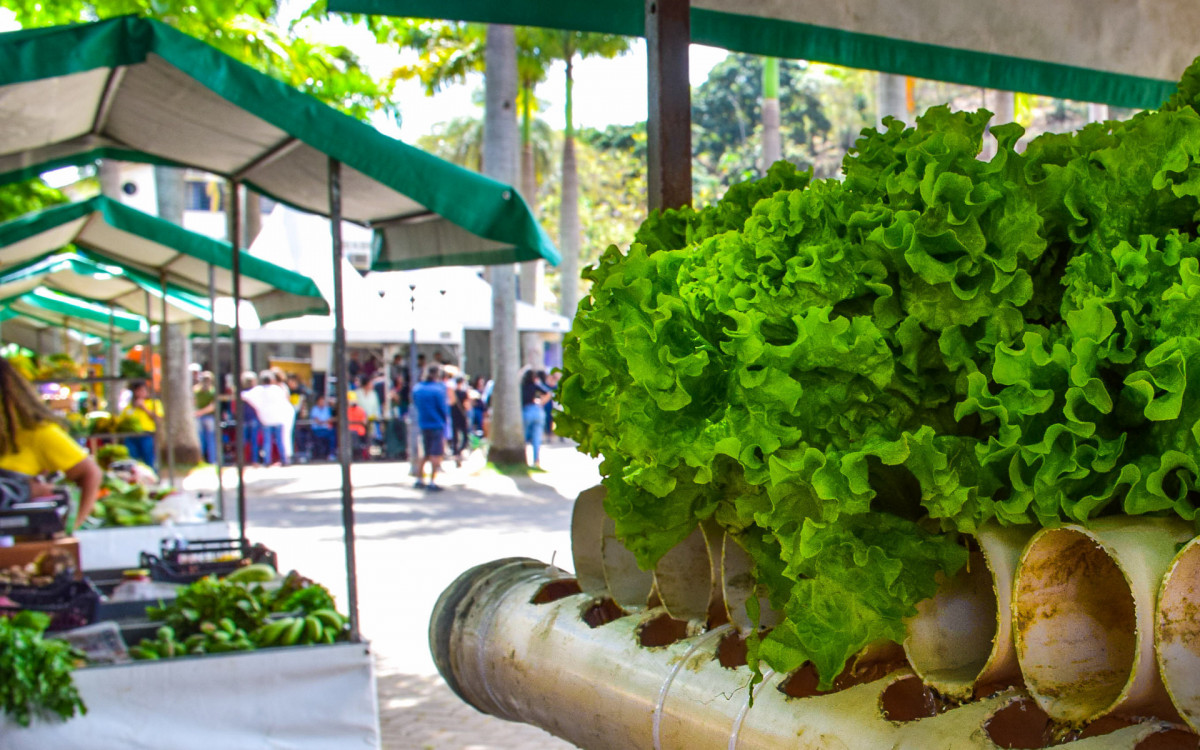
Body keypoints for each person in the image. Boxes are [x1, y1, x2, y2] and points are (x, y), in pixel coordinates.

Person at [0, 358, 101, 524]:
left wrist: (69, 527)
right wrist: (28, 490)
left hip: (16, 544)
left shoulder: (36, 433)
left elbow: (89, 473)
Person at [242, 371, 293, 466]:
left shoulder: (258, 390)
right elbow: (285, 400)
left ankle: (267, 461)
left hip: (266, 420)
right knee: (280, 440)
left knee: (267, 441)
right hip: (279, 418)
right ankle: (284, 459)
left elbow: (245, 395)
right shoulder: (278, 389)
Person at [411, 364, 449, 490]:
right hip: (436, 424)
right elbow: (443, 409)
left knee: (425, 453)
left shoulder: (417, 388)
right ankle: (432, 481)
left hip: (423, 423)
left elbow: (415, 403)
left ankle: (419, 479)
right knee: (435, 454)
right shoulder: (438, 389)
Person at [120, 381, 162, 470]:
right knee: (132, 462)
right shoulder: (129, 407)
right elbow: (122, 420)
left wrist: (144, 408)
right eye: (137, 391)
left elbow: (158, 418)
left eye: (142, 390)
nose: (140, 393)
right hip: (131, 437)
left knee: (149, 461)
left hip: (147, 435)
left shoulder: (153, 403)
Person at [520, 369, 553, 468]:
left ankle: (524, 460)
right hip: (538, 411)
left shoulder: (521, 387)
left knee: (524, 438)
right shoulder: (535, 385)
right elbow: (548, 393)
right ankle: (536, 461)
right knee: (536, 439)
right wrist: (541, 402)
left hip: (526, 411)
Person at [194, 371, 217, 464]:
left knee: (204, 439)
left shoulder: (196, 390)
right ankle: (210, 460)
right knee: (207, 439)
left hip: (201, 416)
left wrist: (199, 412)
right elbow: (212, 406)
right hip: (206, 417)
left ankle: (207, 460)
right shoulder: (212, 390)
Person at [309, 394, 335, 460]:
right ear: (317, 401)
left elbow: (329, 420)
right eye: (321, 401)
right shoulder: (314, 409)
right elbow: (318, 421)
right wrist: (324, 422)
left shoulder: (326, 409)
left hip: (325, 429)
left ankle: (331, 454)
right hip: (317, 430)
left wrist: (324, 422)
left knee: (333, 435)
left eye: (323, 401)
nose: (322, 402)